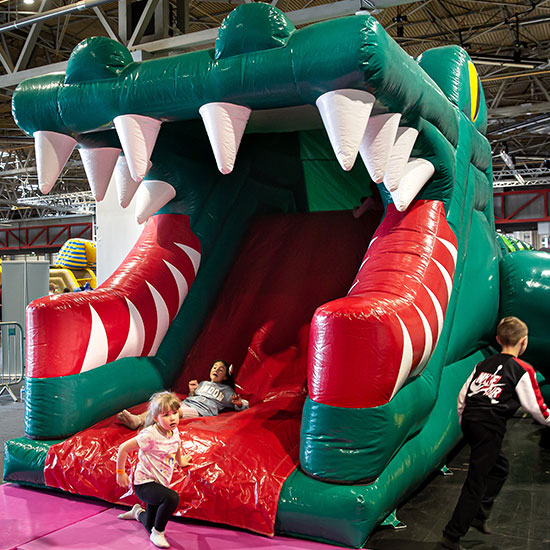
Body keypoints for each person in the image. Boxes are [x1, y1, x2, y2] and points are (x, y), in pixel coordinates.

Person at [441, 316, 550, 550]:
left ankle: (479, 514)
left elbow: (463, 395)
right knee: (476, 481)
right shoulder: (522, 369)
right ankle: (452, 534)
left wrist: (465, 423)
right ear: (524, 341)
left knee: (499, 468)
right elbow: (536, 409)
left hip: (472, 421)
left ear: (499, 339)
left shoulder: (483, 364)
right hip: (489, 426)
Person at [116, 391, 192, 548]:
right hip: (144, 484)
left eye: (175, 413)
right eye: (166, 415)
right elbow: (123, 448)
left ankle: (137, 512)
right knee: (171, 498)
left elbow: (176, 445)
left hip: (160, 483)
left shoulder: (174, 431)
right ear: (156, 418)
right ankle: (158, 533)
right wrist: (120, 473)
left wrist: (181, 461)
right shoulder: (150, 435)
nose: (172, 418)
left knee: (149, 524)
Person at [117, 360, 249, 430]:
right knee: (163, 400)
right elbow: (192, 397)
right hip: (188, 404)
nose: (216, 370)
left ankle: (139, 422)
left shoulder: (226, 390)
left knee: (171, 410)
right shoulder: (203, 384)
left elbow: (242, 404)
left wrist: (239, 403)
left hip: (200, 410)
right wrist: (192, 391)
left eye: (221, 370)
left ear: (225, 376)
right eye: (214, 368)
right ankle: (139, 419)